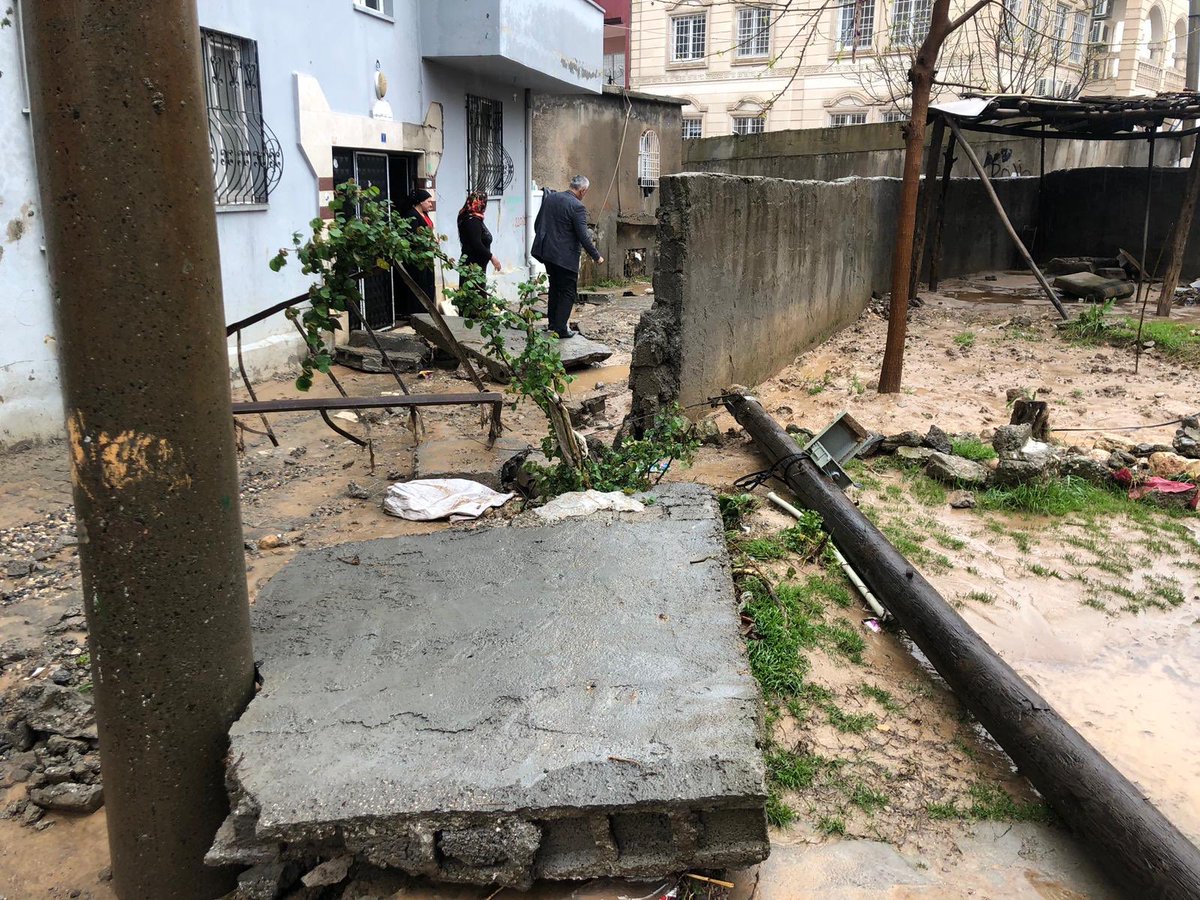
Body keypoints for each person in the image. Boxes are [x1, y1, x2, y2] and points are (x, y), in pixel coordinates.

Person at [532, 174, 604, 338]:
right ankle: (560, 329)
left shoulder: (551, 198)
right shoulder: (577, 207)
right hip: (565, 258)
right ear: (583, 190)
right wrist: (596, 256)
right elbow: (583, 236)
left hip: (548, 254)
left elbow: (538, 224)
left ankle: (552, 324)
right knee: (568, 292)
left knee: (555, 288)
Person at [400, 188, 438, 307]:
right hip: (418, 256)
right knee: (420, 283)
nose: (430, 204)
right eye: (428, 201)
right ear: (421, 202)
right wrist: (427, 242)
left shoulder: (425, 214)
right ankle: (419, 310)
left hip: (427, 254)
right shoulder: (412, 215)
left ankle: (429, 307)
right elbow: (412, 237)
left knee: (429, 283)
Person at [457, 191, 502, 280]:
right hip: (472, 267)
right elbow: (476, 243)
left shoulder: (473, 217)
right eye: (484, 202)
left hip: (476, 267)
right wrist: (492, 257)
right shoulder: (472, 220)